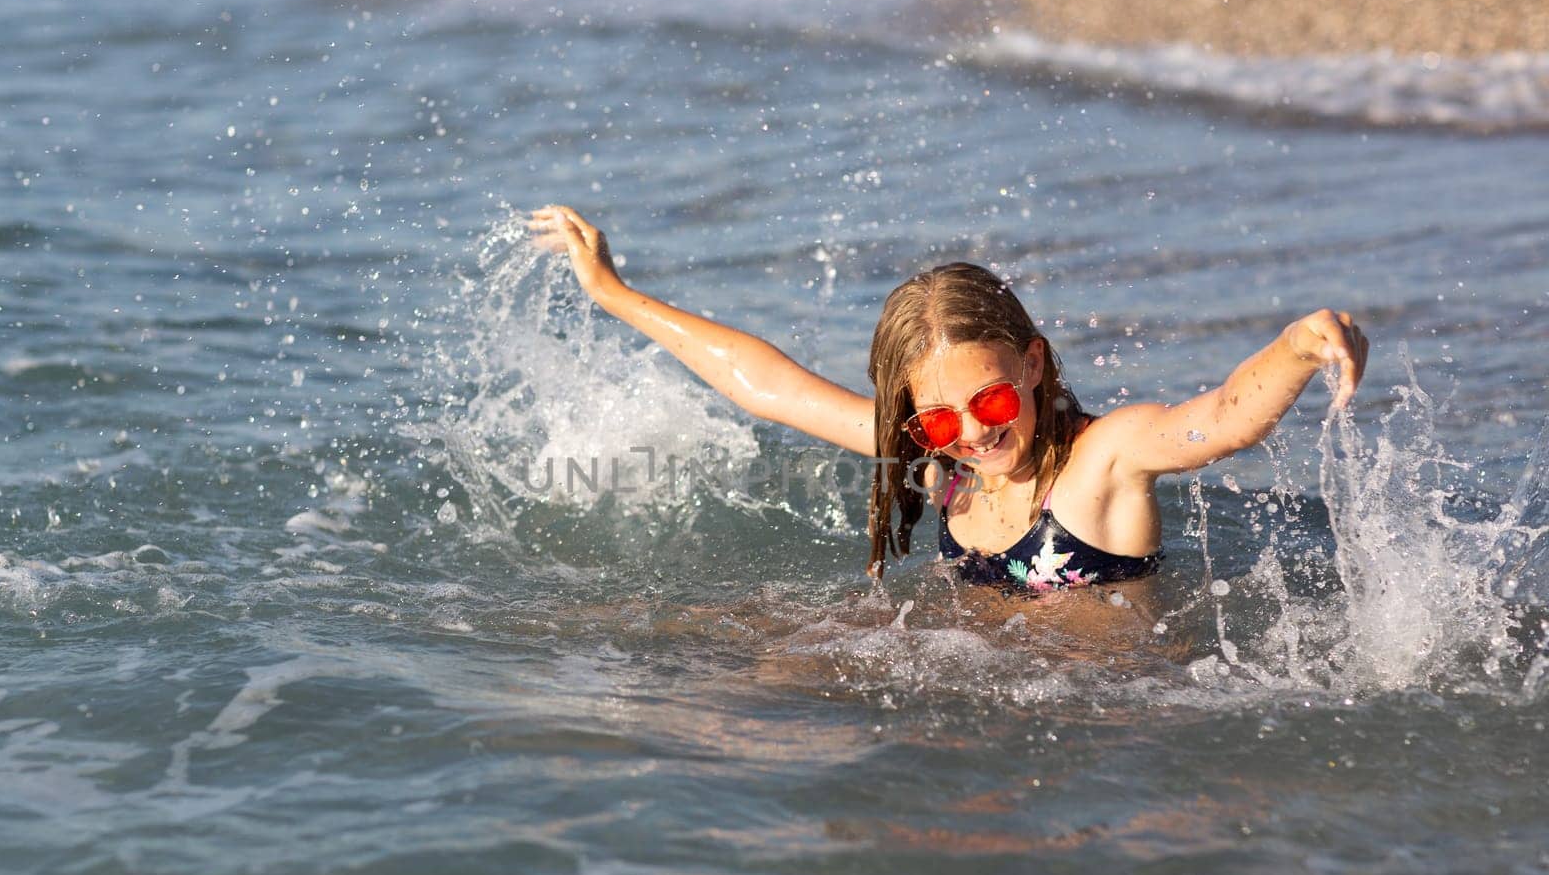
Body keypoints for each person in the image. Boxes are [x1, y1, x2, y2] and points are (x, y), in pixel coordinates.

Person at [529, 205, 1369, 593]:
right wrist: (613, 293)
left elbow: (1221, 420)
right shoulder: (941, 464)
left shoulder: (1103, 461)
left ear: (1033, 365)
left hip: (1104, 722)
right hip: (976, 704)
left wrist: (1298, 347)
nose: (972, 434)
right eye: (937, 419)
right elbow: (772, 388)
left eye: (994, 403)